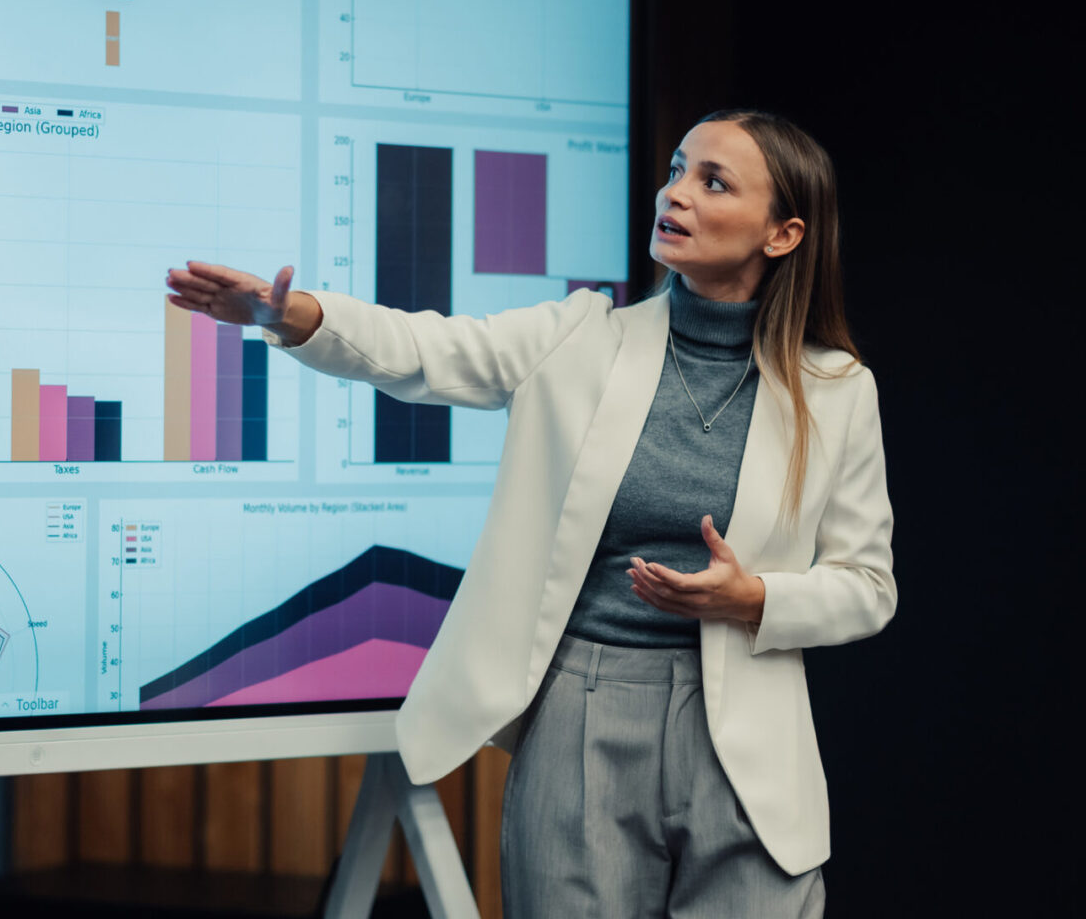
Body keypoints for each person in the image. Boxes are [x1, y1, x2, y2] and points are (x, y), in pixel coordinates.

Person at [164, 109, 896, 917]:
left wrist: (754, 599)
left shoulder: (837, 391)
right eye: (677, 169)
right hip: (583, 706)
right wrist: (289, 314)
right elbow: (423, 349)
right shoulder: (579, 336)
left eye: (713, 182)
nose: (676, 193)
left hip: (751, 730)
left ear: (783, 235)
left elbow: (868, 587)